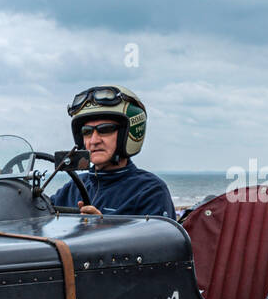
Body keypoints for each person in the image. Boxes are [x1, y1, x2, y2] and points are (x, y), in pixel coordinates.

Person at [49, 85, 175, 219]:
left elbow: (162, 239)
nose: (94, 140)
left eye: (105, 129)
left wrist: (103, 227)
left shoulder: (149, 191)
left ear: (125, 135)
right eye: (87, 132)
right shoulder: (74, 187)